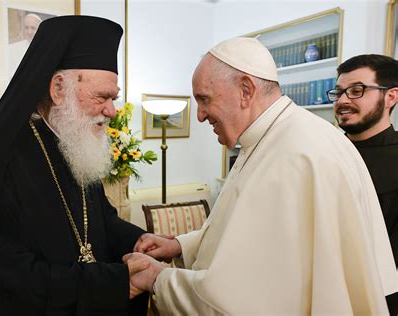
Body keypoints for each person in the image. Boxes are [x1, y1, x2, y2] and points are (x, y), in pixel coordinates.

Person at [123, 37, 397, 315]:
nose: (201, 117)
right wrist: (179, 245)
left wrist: (158, 279)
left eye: (204, 100)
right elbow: (236, 234)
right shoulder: (271, 138)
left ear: (245, 90)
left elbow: (239, 298)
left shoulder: (295, 154)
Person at [0, 16, 149, 315]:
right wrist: (113, 283)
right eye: (101, 97)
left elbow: (99, 220)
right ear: (57, 89)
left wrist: (138, 240)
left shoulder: (74, 144)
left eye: (114, 98)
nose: (112, 110)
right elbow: (4, 282)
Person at [329, 54, 398, 315]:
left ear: (391, 96)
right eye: (338, 93)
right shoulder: (323, 151)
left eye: (356, 91)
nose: (343, 100)